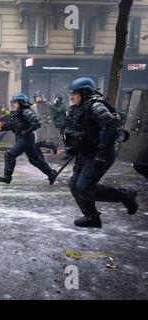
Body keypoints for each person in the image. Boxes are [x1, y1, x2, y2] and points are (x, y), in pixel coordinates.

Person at [64, 77, 138, 228]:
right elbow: (71, 129)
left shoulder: (96, 106)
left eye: (75, 93)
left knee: (84, 187)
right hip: (85, 152)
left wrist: (102, 154)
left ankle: (125, 196)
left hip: (100, 153)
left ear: (84, 93)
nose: (72, 97)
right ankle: (92, 217)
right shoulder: (76, 108)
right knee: (74, 185)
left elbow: (111, 129)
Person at [0, 93, 57, 185]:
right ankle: (51, 173)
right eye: (13, 102)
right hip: (22, 138)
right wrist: (2, 128)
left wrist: (27, 131)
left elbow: (37, 122)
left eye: (15, 102)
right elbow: (14, 126)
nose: (13, 104)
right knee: (34, 159)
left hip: (25, 138)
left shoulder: (26, 111)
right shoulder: (18, 113)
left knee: (9, 155)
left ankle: (7, 177)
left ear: (21, 102)